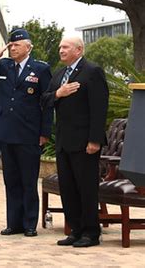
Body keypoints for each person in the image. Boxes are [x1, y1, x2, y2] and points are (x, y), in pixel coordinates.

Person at [0, 28, 53, 237]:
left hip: (28, 132)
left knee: (28, 180)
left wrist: (45, 132)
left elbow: (47, 102)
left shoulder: (40, 69)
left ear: (28, 47)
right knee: (11, 180)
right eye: (11, 45)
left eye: (17, 45)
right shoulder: (3, 65)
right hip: (5, 131)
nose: (13, 48)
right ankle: (14, 223)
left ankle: (29, 224)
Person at [42, 37, 109, 247]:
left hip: (85, 143)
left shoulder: (92, 71)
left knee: (86, 188)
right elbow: (44, 100)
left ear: (78, 50)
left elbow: (99, 108)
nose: (61, 50)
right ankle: (75, 230)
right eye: (60, 47)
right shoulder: (60, 74)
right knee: (68, 188)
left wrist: (95, 140)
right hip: (63, 142)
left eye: (65, 47)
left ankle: (91, 233)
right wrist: (58, 94)